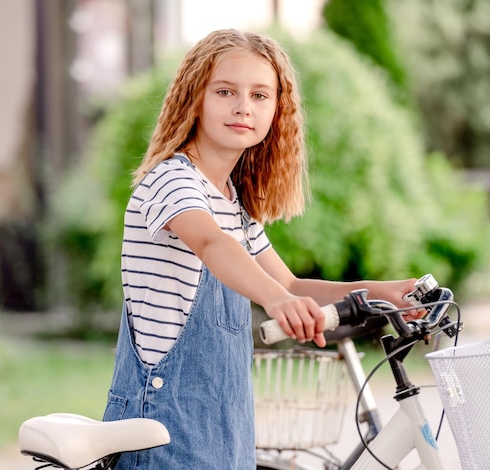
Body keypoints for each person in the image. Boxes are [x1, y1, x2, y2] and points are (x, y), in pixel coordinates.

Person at [103, 28, 422, 469]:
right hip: (159, 429)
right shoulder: (171, 180)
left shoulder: (234, 202)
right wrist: (278, 301)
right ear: (194, 98)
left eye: (259, 95)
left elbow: (288, 281)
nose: (242, 107)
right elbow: (211, 243)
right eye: (225, 91)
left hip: (222, 425)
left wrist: (377, 291)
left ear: (277, 110)